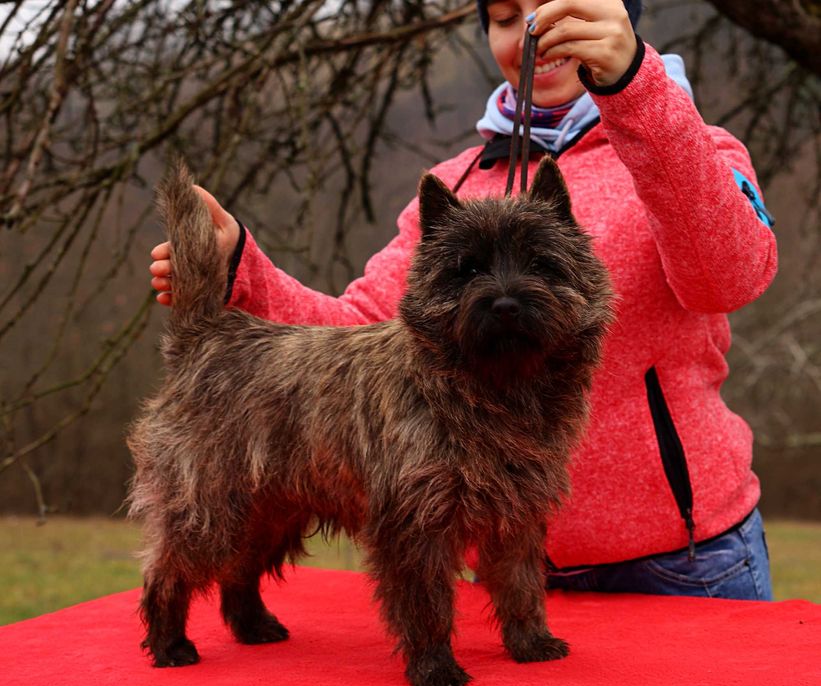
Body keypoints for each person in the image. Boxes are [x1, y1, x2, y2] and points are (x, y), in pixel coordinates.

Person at [148, 0, 778, 600]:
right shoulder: (456, 184)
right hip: (509, 575)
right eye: (505, 18)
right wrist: (238, 269)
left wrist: (635, 87)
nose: (531, 33)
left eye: (555, 8)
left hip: (686, 564)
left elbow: (730, 278)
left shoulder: (693, 148)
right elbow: (361, 333)